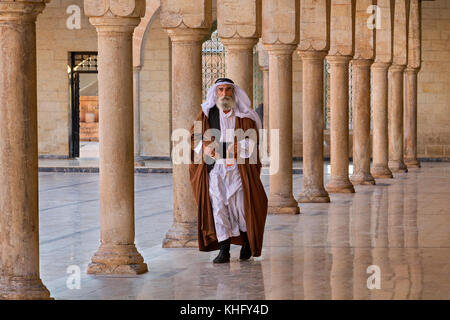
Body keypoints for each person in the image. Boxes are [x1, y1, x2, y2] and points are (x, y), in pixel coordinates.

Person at [189, 78, 268, 263]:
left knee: (241, 206)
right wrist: (206, 146)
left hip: (238, 170)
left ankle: (247, 243)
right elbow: (195, 137)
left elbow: (252, 140)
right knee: (218, 207)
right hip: (215, 168)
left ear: (234, 92)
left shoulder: (245, 116)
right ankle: (224, 249)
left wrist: (239, 146)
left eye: (228, 90)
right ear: (216, 93)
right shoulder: (207, 115)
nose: (224, 94)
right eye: (220, 90)